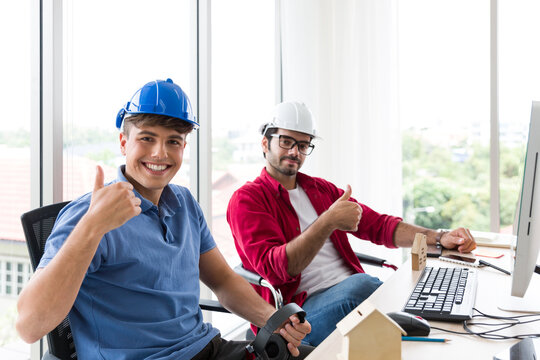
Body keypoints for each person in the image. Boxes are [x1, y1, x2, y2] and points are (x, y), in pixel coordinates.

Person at [16, 80, 313, 360]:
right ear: (123, 142)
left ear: (183, 147)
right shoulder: (89, 214)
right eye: (147, 138)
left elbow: (222, 280)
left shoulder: (183, 203)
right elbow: (28, 327)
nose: (160, 153)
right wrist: (93, 228)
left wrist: (273, 321)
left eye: (173, 141)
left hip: (205, 348)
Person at [226, 101, 477, 346]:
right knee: (368, 288)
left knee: (393, 291)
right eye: (286, 142)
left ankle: (430, 324)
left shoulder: (319, 189)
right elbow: (277, 269)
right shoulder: (247, 199)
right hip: (299, 316)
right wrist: (328, 221)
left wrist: (439, 237)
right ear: (265, 142)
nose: (295, 152)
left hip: (352, 294)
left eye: (303, 145)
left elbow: (380, 225)